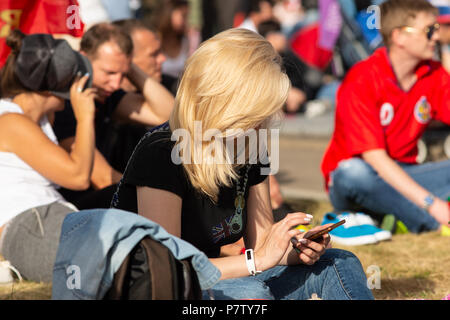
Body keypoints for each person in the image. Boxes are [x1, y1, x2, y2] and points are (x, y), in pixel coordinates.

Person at [111, 28, 373, 300]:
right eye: (256, 110)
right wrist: (255, 262)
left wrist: (296, 251)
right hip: (161, 287)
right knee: (252, 293)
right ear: (226, 100)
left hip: (221, 277)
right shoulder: (161, 152)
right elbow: (169, 268)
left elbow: (261, 246)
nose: (264, 120)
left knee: (339, 263)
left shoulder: (251, 144)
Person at [321, 0, 450, 234]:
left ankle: (396, 215)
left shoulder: (433, 73)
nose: (436, 37)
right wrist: (432, 205)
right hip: (364, 176)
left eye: (437, 30)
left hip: (406, 174)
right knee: (352, 172)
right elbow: (375, 159)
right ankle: (426, 221)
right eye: (429, 30)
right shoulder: (362, 78)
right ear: (399, 36)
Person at [0, 30, 96, 282]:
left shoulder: (34, 120)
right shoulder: (10, 122)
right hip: (31, 225)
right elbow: (78, 177)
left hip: (47, 217)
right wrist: (85, 117)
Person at [53, 23, 175, 209]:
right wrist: (160, 190)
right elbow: (103, 178)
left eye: (123, 74)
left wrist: (129, 67)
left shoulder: (105, 93)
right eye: (109, 72)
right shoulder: (64, 104)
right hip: (70, 210)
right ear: (83, 60)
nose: (116, 84)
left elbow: (168, 114)